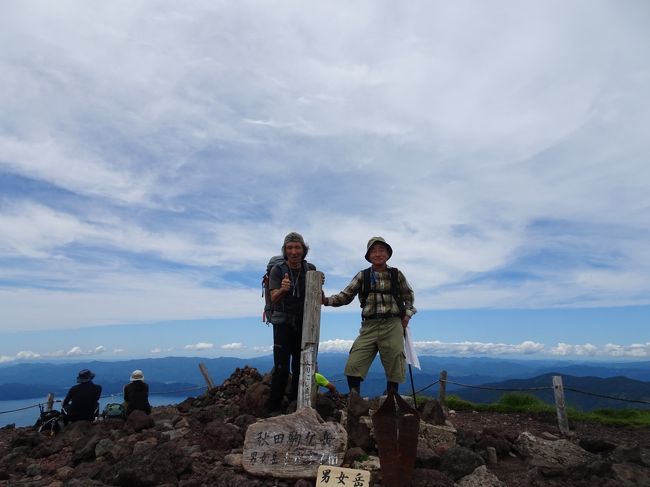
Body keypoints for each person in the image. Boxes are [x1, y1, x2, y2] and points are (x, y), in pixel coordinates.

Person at [323, 236, 416, 395]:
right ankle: (355, 399)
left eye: (381, 250)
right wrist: (326, 300)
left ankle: (391, 398)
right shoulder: (362, 276)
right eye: (373, 251)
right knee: (354, 363)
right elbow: (346, 296)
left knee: (395, 361)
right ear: (368, 256)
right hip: (369, 325)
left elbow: (409, 297)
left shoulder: (396, 274)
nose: (378, 254)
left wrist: (407, 316)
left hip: (393, 323)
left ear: (387, 254)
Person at [267, 232, 317, 415]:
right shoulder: (277, 270)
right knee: (281, 366)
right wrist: (282, 289)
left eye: (297, 247)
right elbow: (273, 298)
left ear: (304, 250)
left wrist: (318, 283)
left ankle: (295, 402)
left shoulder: (310, 269)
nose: (294, 251)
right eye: (290, 248)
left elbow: (316, 296)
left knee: (299, 364)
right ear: (285, 251)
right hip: (283, 324)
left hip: (303, 323)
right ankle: (273, 407)